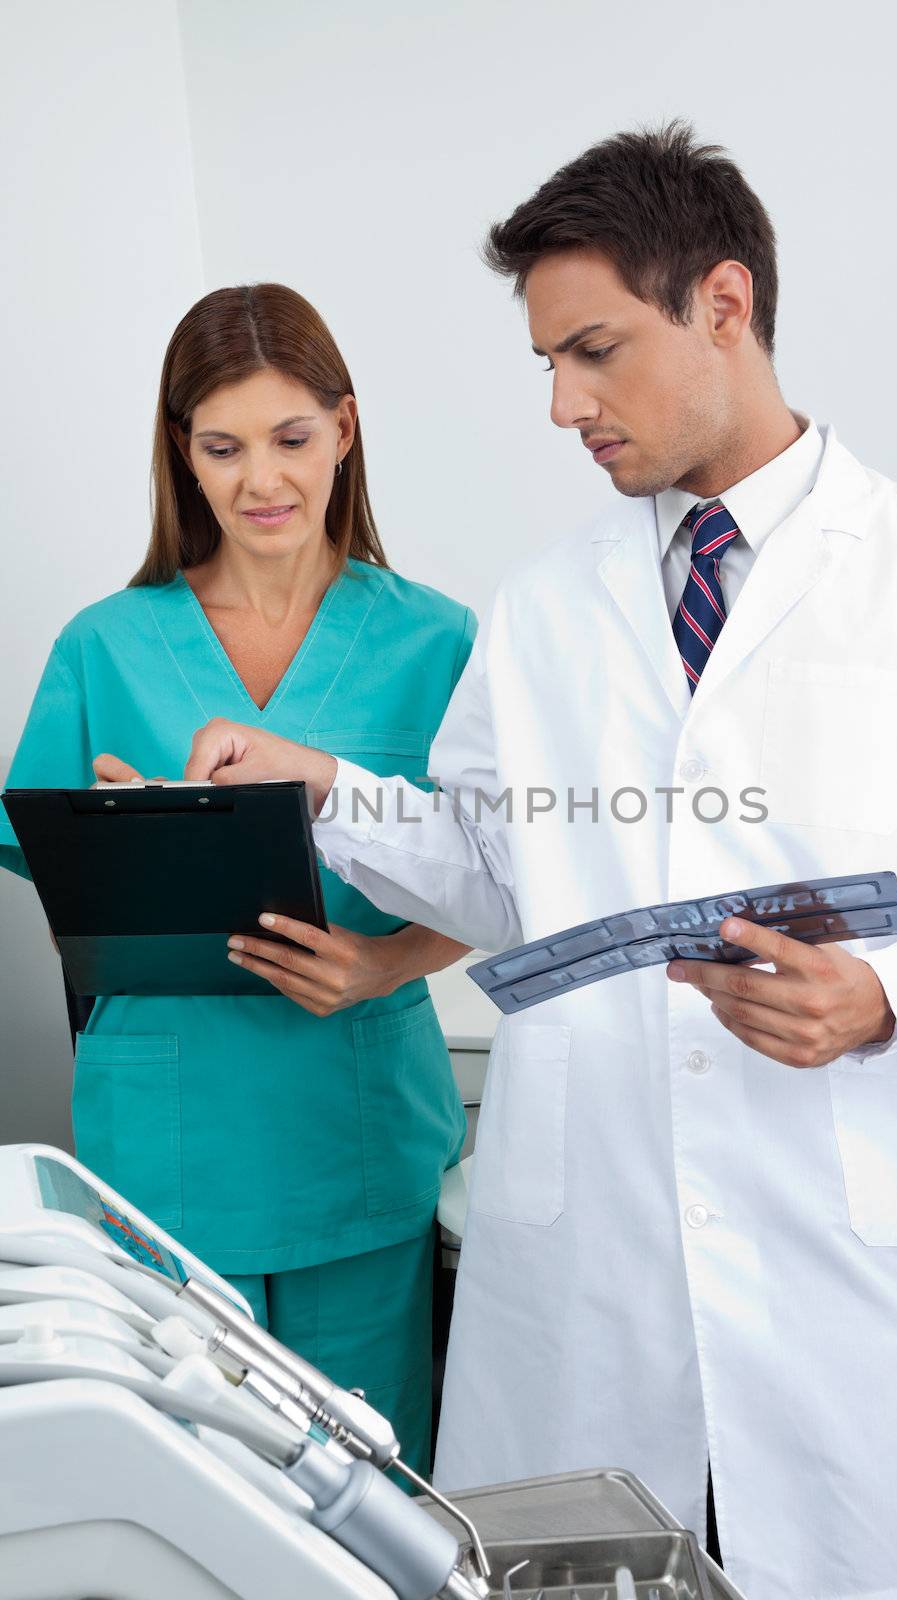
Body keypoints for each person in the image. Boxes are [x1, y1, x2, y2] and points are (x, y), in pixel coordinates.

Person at [175, 127, 897, 1600]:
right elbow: (492, 872)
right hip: (585, 1242)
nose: (558, 405)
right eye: (543, 362)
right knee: (560, 1568)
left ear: (723, 304)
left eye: (590, 351)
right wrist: (325, 790)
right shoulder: (546, 607)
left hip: (837, 1245)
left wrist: (880, 993)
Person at [0, 283, 476, 1479]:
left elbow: (504, 873)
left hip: (351, 1122)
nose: (261, 480)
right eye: (222, 447)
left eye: (290, 438)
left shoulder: (441, 641)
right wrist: (127, 838)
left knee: (375, 1487)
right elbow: (45, 857)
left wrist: (380, 963)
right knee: (201, 1496)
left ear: (345, 431)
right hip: (164, 1137)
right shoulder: (105, 643)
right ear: (183, 455)